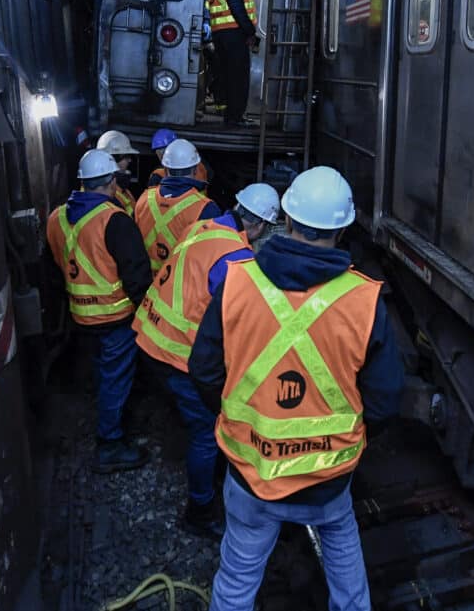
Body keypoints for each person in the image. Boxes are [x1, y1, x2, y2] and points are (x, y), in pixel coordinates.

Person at [190, 167, 403, 611]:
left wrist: (240, 419)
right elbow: (384, 400)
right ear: (343, 230)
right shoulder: (366, 303)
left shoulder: (237, 282)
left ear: (285, 220)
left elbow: (204, 371)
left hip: (250, 474)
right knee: (347, 573)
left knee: (237, 578)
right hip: (327, 482)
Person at [132, 183, 282, 538]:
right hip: (177, 352)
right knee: (205, 432)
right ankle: (200, 511)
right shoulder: (236, 258)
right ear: (259, 226)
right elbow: (236, 320)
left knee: (192, 415)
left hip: (149, 335)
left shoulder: (204, 227)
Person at [46, 150, 153, 473]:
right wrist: (147, 313)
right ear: (110, 182)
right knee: (115, 378)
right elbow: (137, 276)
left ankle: (108, 419)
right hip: (115, 318)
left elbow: (54, 268)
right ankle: (110, 444)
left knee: (102, 373)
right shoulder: (114, 220)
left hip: (80, 316)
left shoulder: (56, 217)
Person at [134, 138, 220, 272]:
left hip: (146, 284)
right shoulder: (206, 208)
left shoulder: (144, 199)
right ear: (196, 170)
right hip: (179, 286)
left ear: (165, 169)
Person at [205, 0, 262, 128]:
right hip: (234, 32)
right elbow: (236, 5)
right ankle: (235, 118)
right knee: (239, 76)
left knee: (229, 74)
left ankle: (231, 116)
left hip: (221, 33)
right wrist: (250, 31)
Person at [96, 128, 139, 213]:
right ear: (113, 160)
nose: (130, 160)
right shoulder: (107, 195)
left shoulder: (122, 190)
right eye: (126, 156)